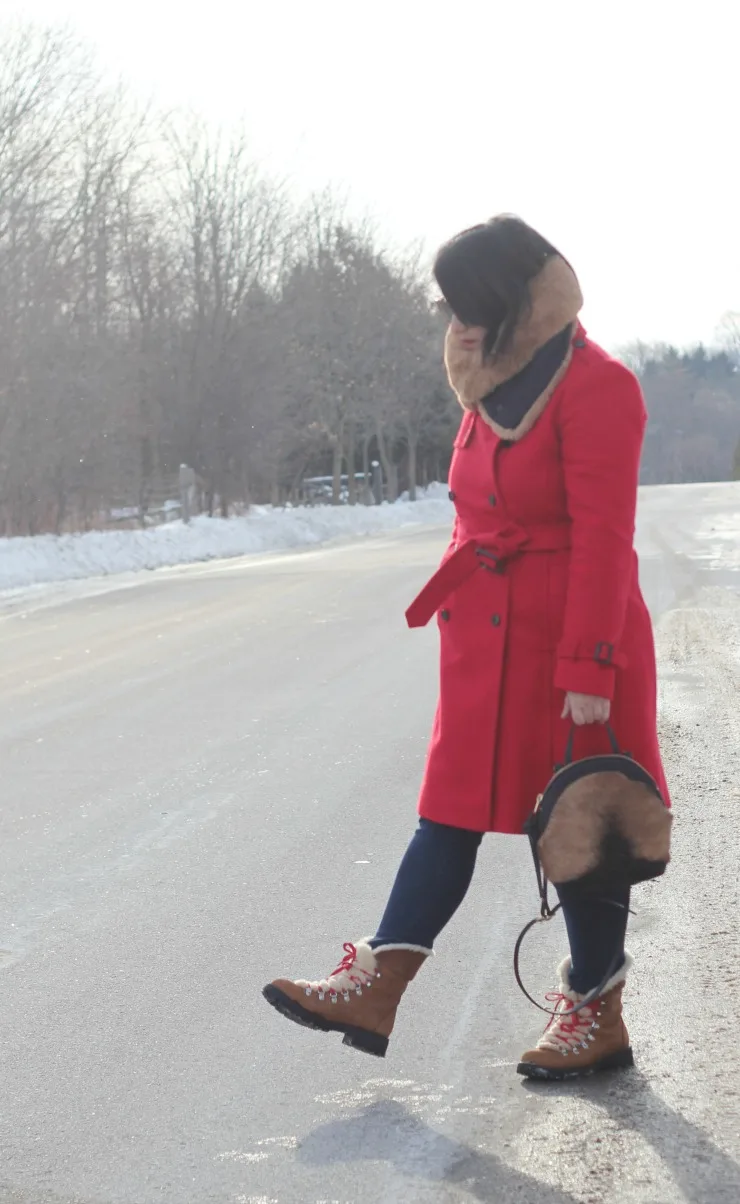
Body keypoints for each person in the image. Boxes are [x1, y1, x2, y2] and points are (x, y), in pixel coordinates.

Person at [263, 215, 670, 1080]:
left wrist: (590, 664)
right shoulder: (490, 380)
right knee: (444, 816)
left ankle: (597, 1011)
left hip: (571, 644)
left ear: (510, 298)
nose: (453, 320)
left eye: (464, 302)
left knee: (583, 820)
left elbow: (605, 537)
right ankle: (377, 981)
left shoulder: (599, 385)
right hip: (487, 642)